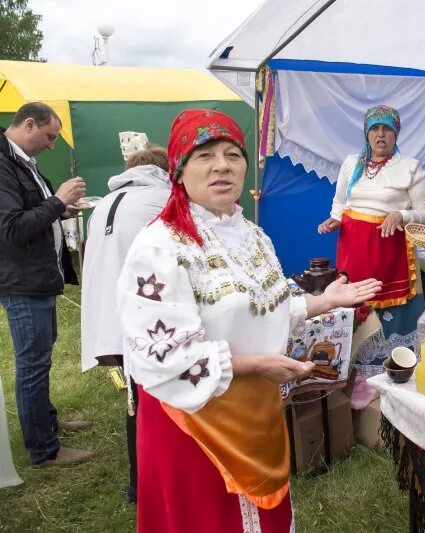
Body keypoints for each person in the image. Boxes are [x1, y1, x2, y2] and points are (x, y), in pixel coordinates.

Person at [118, 109, 380, 532]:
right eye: (205, 156)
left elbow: (267, 307)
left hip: (256, 412)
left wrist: (322, 301)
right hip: (194, 424)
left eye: (232, 154)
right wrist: (256, 365)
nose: (222, 165)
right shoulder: (160, 246)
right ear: (179, 171)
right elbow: (161, 355)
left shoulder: (252, 235)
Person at [0, 102, 93, 467]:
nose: (52, 144)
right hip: (23, 282)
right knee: (33, 365)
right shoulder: (4, 165)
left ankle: (48, 423)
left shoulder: (21, 161)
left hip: (36, 278)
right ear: (28, 124)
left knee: (41, 359)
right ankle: (43, 449)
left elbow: (29, 216)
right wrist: (57, 200)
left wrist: (60, 210)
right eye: (50, 136)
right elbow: (11, 230)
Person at [81, 145, 171, 502]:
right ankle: (144, 482)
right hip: (146, 316)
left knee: (137, 400)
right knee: (153, 403)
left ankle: (141, 481)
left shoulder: (105, 201)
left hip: (109, 314)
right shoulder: (161, 198)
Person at [318, 104, 425, 341]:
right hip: (353, 250)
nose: (381, 134)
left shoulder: (411, 168)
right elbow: (340, 202)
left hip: (389, 253)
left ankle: (392, 361)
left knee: (388, 310)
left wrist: (402, 214)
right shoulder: (351, 163)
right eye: (375, 129)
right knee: (354, 301)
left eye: (387, 129)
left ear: (396, 134)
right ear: (367, 133)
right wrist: (335, 219)